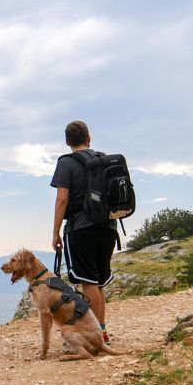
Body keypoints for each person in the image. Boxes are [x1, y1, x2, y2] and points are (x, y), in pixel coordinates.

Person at [50, 120, 117, 344]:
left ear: (67, 141)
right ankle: (102, 330)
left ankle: (95, 336)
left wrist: (55, 232)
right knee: (97, 283)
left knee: (88, 283)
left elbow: (62, 201)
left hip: (81, 227)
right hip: (108, 227)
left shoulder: (66, 163)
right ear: (89, 137)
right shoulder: (103, 159)